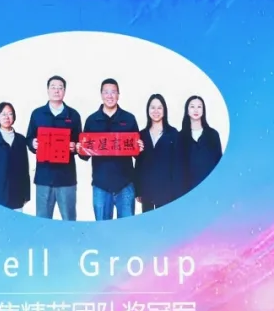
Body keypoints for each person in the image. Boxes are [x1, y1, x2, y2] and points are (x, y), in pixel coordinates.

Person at [79, 78, 142, 220]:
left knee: (126, 229)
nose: (110, 96)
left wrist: (140, 147)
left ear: (118, 94)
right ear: (101, 94)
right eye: (106, 92)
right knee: (103, 229)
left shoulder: (129, 119)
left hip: (125, 185)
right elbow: (84, 156)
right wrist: (80, 148)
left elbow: (137, 153)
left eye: (113, 92)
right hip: (101, 185)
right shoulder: (92, 120)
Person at [25, 75, 82, 220]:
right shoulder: (37, 114)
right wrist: (33, 143)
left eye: (60, 88)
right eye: (53, 87)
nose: (56, 90)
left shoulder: (73, 115)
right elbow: (29, 138)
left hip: (66, 178)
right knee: (43, 221)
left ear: (64, 91)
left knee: (69, 221)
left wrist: (75, 147)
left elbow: (80, 142)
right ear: (47, 90)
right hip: (44, 177)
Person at [134, 93, 184, 212]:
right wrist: (138, 190)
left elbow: (178, 165)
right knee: (148, 222)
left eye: (159, 108)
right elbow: (139, 164)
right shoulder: (141, 135)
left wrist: (177, 191)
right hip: (147, 191)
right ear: (148, 110)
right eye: (152, 107)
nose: (156, 111)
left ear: (164, 110)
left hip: (167, 191)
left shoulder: (173, 134)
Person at [0, 102, 31, 211]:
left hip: (17, 197)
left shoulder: (21, 140)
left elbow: (25, 169)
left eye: (10, 114)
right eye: (3, 114)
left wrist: (27, 194)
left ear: (14, 117)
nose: (7, 117)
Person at [180, 95, 223, 193]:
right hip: (188, 190)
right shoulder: (180, 137)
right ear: (187, 111)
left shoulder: (213, 135)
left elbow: (219, 162)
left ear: (203, 111)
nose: (196, 110)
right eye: (192, 106)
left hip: (211, 188)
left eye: (199, 107)